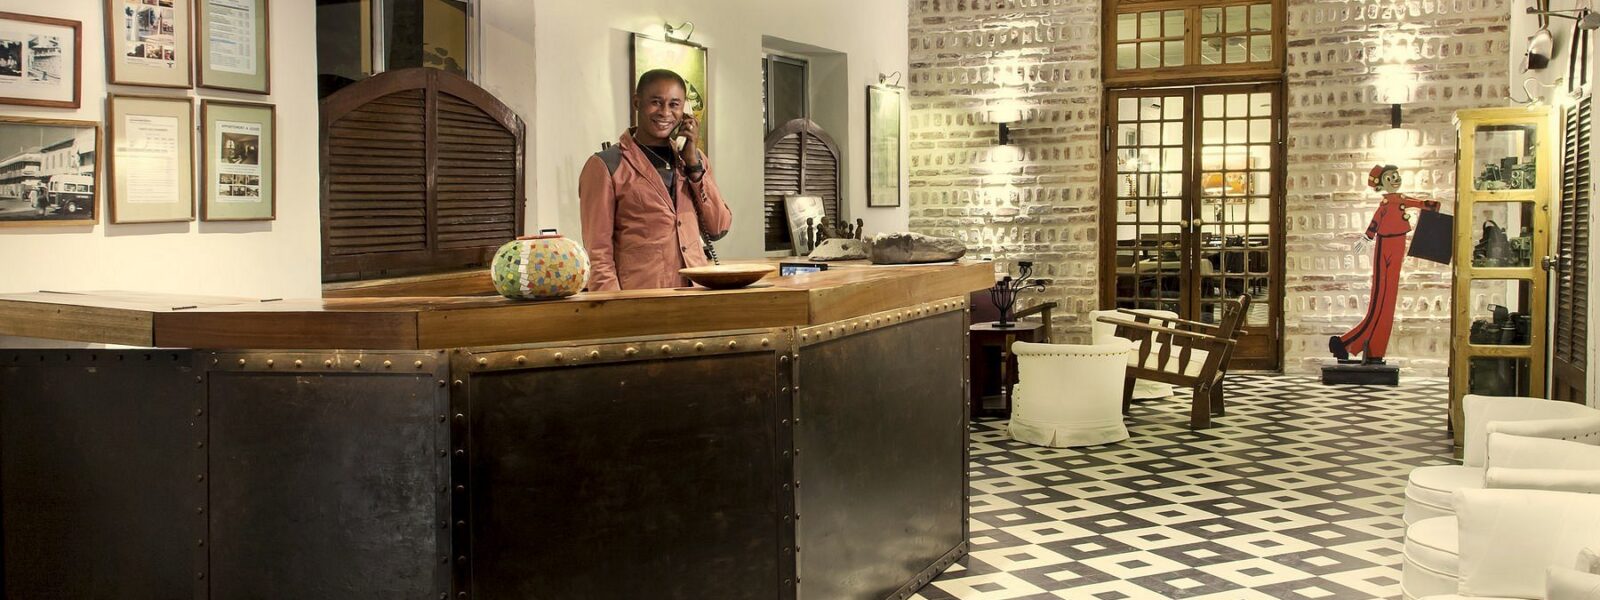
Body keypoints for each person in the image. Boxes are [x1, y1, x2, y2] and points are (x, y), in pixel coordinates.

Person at [579, 69, 731, 291]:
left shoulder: (692, 160)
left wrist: (694, 167)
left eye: (674, 104)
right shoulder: (606, 165)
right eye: (656, 102)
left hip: (695, 293)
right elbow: (598, 252)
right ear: (637, 102)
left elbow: (718, 228)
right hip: (641, 297)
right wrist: (612, 306)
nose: (665, 112)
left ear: (685, 111)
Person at [1330, 164, 1440, 363]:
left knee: (1388, 303)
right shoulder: (1385, 204)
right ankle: (1346, 343)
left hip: (1398, 244)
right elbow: (1375, 222)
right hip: (1385, 244)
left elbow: (1420, 203)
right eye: (1390, 178)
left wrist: (1433, 206)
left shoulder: (1401, 199)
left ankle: (1373, 349)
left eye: (1396, 176)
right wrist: (1367, 238)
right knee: (1379, 302)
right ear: (1381, 184)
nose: (1395, 180)